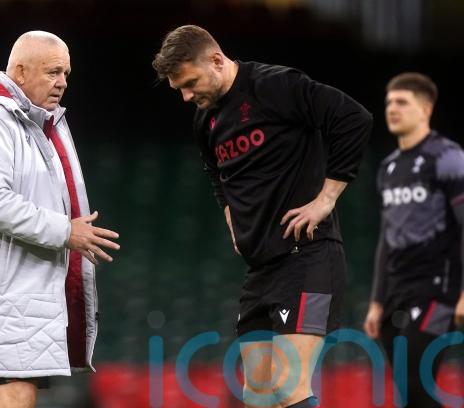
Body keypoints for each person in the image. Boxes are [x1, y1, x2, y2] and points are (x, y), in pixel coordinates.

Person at [152, 25, 372, 408]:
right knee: (256, 396)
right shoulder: (206, 120)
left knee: (288, 388)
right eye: (179, 89)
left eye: (190, 83)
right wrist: (229, 212)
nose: (186, 96)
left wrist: (326, 199)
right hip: (261, 271)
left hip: (309, 258)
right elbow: (214, 171)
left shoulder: (275, 86)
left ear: (216, 60)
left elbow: (354, 118)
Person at [0, 31, 120, 408]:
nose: (63, 82)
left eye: (67, 73)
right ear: (21, 72)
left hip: (21, 287)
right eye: (53, 72)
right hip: (2, 288)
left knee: (7, 391)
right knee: (16, 389)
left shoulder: (34, 124)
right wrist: (65, 231)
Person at [363, 72, 464, 408]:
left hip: (438, 290)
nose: (392, 108)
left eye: (402, 102)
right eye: (389, 102)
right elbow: (386, 237)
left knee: (415, 381)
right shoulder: (388, 168)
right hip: (396, 293)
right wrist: (377, 301)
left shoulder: (447, 157)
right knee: (409, 393)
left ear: (425, 109)